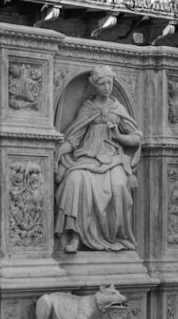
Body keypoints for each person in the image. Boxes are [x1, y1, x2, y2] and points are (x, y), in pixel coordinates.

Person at [55, 65, 142, 252]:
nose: (107, 87)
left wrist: (119, 137)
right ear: (94, 86)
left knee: (119, 185)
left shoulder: (118, 108)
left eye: (110, 83)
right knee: (74, 180)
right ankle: (75, 237)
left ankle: (114, 235)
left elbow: (136, 137)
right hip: (87, 157)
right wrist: (59, 151)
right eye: (102, 84)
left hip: (113, 158)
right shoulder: (88, 107)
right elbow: (74, 138)